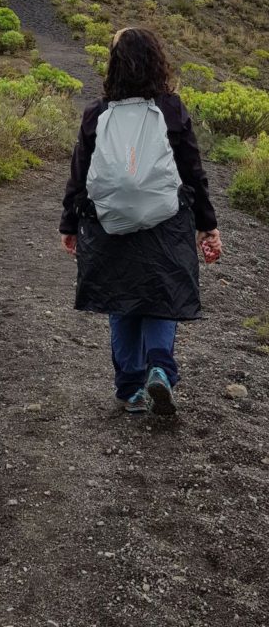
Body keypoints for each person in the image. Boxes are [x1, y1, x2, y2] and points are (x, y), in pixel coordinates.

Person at [59, 28, 221, 415]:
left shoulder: (97, 114)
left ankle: (130, 387)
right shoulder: (171, 109)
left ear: (114, 65)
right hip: (167, 222)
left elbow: (79, 174)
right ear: (155, 61)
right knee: (162, 295)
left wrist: (69, 224)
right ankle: (161, 370)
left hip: (109, 222)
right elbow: (192, 172)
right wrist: (207, 224)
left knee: (121, 300)